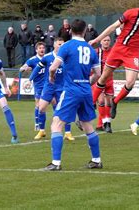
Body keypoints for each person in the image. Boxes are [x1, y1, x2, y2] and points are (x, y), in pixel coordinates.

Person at [89, 0, 139, 119]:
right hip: (119, 48)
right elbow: (113, 27)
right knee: (103, 78)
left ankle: (115, 101)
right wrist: (96, 40)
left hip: (132, 53)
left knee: (131, 82)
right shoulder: (131, 13)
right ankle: (91, 103)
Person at [43, 19, 101, 171]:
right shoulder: (90, 49)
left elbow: (53, 67)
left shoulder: (67, 46)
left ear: (70, 31)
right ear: (84, 32)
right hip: (86, 90)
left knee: (56, 124)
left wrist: (51, 76)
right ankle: (96, 160)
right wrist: (87, 81)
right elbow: (98, 74)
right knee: (87, 125)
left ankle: (56, 163)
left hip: (71, 90)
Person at [29, 37, 74, 141]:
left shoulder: (67, 58)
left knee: (65, 110)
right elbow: (38, 67)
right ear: (54, 45)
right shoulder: (47, 57)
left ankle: (68, 133)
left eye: (63, 44)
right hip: (49, 86)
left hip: (62, 87)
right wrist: (30, 78)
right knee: (41, 108)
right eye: (59, 44)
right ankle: (42, 131)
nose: (61, 46)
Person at [20, 42, 46, 137]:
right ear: (36, 50)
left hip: (49, 85)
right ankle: (37, 123)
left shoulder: (47, 58)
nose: (42, 49)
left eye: (43, 48)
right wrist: (25, 68)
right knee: (39, 105)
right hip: (38, 86)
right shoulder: (32, 60)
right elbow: (21, 68)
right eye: (40, 48)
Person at [93, 36, 114, 132]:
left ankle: (100, 124)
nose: (106, 42)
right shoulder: (96, 52)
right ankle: (106, 123)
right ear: (101, 42)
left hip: (109, 80)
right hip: (99, 80)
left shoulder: (113, 52)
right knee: (101, 101)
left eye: (108, 40)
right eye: (104, 40)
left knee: (109, 102)